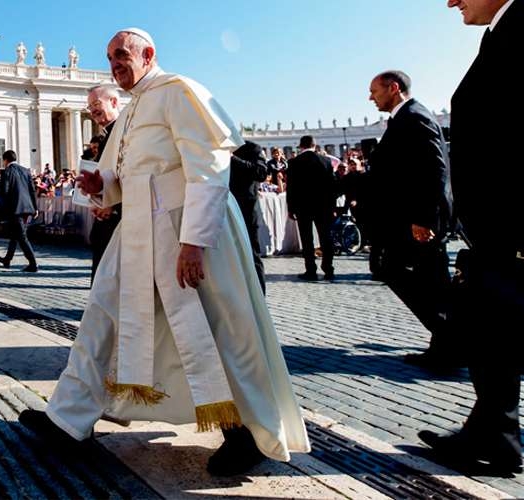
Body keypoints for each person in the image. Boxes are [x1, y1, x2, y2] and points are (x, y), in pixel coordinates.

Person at [18, 28, 309, 476]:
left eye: (122, 55)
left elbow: (209, 168)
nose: (114, 64)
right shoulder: (132, 111)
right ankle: (68, 418)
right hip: (135, 232)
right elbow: (124, 180)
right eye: (110, 58)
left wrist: (193, 242)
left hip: (187, 229)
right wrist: (102, 188)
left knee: (216, 327)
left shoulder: (180, 91)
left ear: (148, 54)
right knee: (101, 317)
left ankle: (248, 433)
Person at [418, 0, 524, 475]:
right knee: (488, 327)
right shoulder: (501, 31)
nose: (451, 1)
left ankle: (497, 433)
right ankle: (495, 432)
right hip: (499, 227)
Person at [367, 70, 459, 373]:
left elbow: (435, 169)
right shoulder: (405, 117)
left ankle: (452, 338)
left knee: (393, 270)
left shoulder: (414, 116)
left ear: (393, 88)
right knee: (434, 284)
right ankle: (445, 347)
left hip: (420, 221)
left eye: (375, 91)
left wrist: (424, 219)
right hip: (413, 219)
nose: (371, 97)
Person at [286, 135, 337, 281]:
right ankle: (329, 269)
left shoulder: (294, 162)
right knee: (326, 238)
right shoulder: (326, 161)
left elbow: (291, 188)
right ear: (315, 145)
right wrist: (332, 206)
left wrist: (291, 208)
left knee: (307, 239)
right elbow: (332, 186)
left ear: (301, 146)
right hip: (324, 206)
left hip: (303, 207)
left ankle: (311, 270)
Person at [86, 84, 122, 283]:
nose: (93, 111)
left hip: (118, 220)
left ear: (114, 102)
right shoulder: (109, 134)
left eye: (97, 104)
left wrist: (111, 204)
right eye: (90, 107)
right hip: (107, 219)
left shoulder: (123, 132)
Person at [229, 141, 269, 293]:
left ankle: (260, 294)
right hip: (223, 207)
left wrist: (233, 159)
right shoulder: (216, 147)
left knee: (252, 252)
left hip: (246, 208)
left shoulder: (252, 148)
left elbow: (261, 173)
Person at [0, 150, 39, 272]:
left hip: (15, 208)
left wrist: (3, 207)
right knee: (15, 233)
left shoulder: (7, 172)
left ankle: (33, 263)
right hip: (27, 207)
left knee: (21, 235)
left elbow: (5, 191)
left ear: (5, 160)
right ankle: (7, 259)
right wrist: (35, 207)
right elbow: (32, 190)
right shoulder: (25, 170)